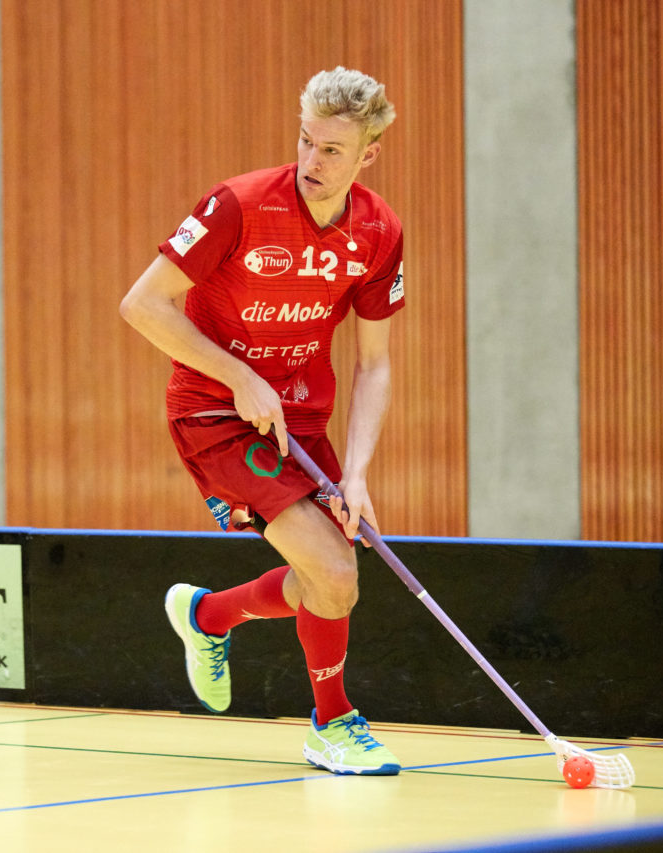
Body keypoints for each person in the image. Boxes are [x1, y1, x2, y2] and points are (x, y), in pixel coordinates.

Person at [120, 67, 405, 775]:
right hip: (216, 411)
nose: (313, 162)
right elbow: (142, 305)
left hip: (302, 422)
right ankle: (333, 723)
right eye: (307, 142)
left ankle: (208, 616)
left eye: (334, 150)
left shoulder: (378, 232)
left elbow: (376, 364)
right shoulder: (237, 206)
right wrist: (239, 375)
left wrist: (360, 474)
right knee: (337, 572)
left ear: (368, 153)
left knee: (329, 578)